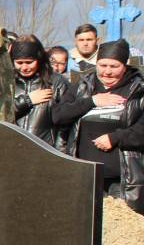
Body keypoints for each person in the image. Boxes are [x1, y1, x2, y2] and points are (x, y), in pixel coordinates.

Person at [54, 39, 144, 208]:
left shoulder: (139, 90)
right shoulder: (82, 87)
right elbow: (58, 116)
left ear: (125, 65)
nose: (107, 72)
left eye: (114, 66)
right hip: (85, 177)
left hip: (123, 180)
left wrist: (116, 137)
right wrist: (92, 101)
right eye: (103, 65)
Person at [11, 35, 73, 149]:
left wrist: (60, 153)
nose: (24, 67)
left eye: (29, 62)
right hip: (13, 149)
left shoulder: (57, 83)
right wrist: (27, 100)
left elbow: (66, 123)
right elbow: (0, 115)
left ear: (39, 60)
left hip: (46, 151)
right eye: (19, 63)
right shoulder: (7, 82)